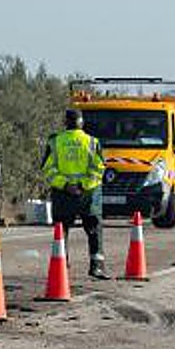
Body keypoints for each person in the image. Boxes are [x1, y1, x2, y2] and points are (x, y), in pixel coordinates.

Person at [43, 108, 107, 279]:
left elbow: (47, 169)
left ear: (65, 123)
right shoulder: (92, 142)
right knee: (94, 230)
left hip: (63, 194)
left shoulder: (55, 142)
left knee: (61, 231)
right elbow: (99, 168)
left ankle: (61, 267)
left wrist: (65, 185)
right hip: (88, 195)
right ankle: (97, 267)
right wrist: (83, 185)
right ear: (81, 122)